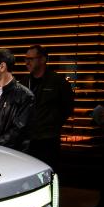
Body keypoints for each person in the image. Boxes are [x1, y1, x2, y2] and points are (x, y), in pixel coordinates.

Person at [20, 44, 74, 172]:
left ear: (43, 59)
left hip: (48, 140)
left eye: (31, 59)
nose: (27, 62)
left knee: (48, 174)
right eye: (25, 59)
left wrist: (52, 125)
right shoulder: (23, 82)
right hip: (27, 141)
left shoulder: (58, 82)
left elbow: (67, 108)